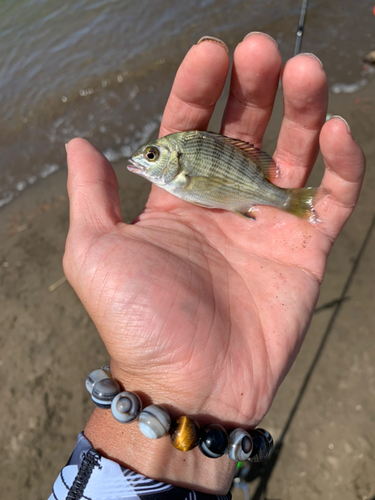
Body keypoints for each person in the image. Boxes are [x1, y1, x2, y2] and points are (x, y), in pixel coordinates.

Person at [49, 33, 365, 499]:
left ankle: (292, 202)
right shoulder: (179, 172)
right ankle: (291, 202)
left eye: (153, 156)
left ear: (172, 160)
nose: (144, 161)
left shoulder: (186, 166)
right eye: (150, 156)